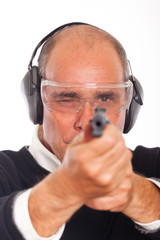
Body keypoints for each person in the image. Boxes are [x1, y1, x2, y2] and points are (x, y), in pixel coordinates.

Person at [0, 22, 160, 240]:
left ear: (130, 105)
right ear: (37, 102)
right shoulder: (4, 173)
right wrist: (64, 189)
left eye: (105, 98)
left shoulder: (152, 164)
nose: (87, 122)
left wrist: (136, 193)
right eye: (67, 98)